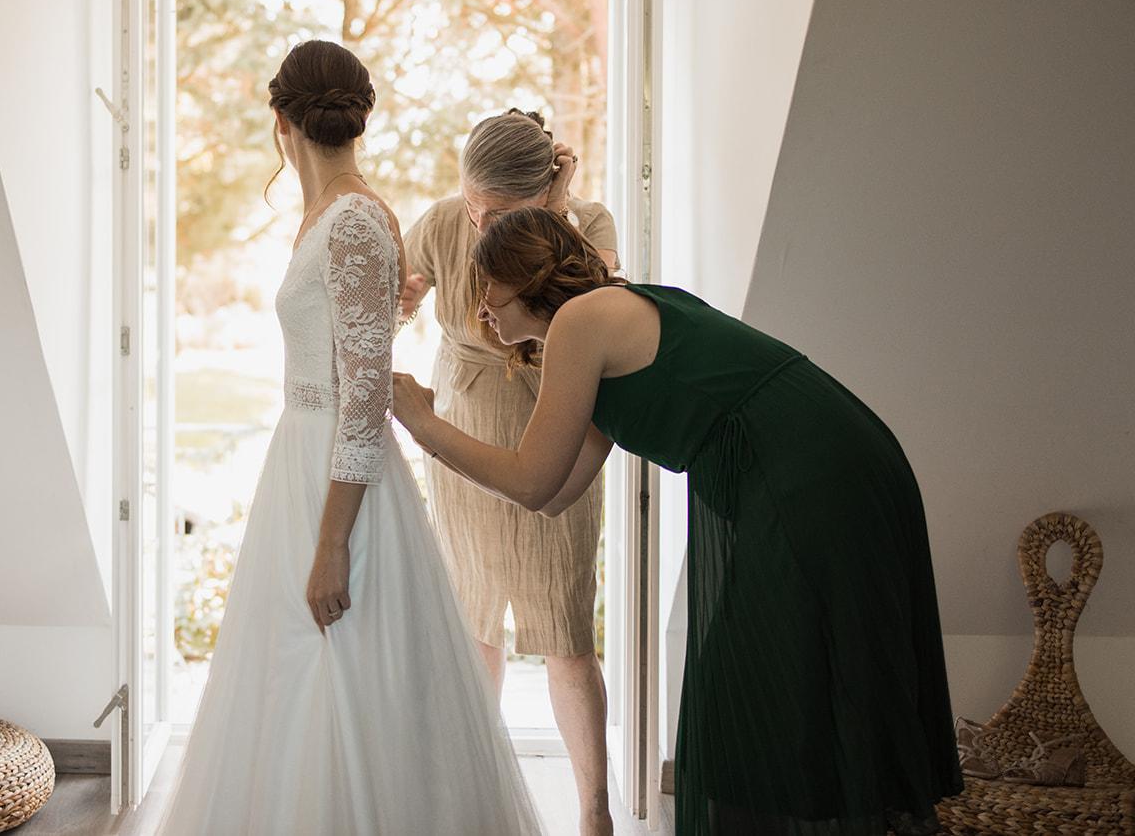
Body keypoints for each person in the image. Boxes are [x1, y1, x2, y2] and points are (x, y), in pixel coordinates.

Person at [390, 207, 963, 836]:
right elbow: (552, 493)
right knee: (780, 682)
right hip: (832, 462)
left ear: (524, 277)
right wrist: (432, 434)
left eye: (486, 284)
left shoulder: (584, 320)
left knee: (765, 684)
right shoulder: (603, 322)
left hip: (811, 475)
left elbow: (531, 480)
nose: (481, 305)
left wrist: (423, 424)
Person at [159, 41, 541, 836]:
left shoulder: (356, 217)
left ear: (281, 123)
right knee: (288, 688)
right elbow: (348, 338)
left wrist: (333, 542)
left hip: (339, 483)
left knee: (344, 680)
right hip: (300, 463)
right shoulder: (333, 214)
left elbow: (365, 395)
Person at [401, 109, 617, 835]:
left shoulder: (589, 223)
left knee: (565, 632)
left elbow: (598, 313)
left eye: (496, 209)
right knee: (474, 624)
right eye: (471, 201)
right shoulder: (440, 221)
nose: (477, 218)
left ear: (543, 195)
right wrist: (402, 296)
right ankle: (474, 799)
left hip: (551, 432)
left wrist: (558, 218)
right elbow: (404, 285)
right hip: (462, 438)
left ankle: (594, 810)